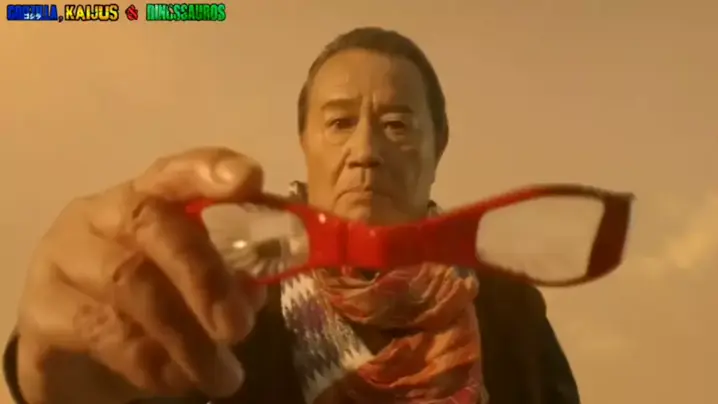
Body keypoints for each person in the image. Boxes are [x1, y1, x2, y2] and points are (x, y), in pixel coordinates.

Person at [3, 27, 580, 404]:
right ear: (304, 143)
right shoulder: (228, 289)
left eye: (397, 125)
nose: (365, 150)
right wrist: (51, 377)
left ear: (439, 146)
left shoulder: (510, 309)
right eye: (339, 122)